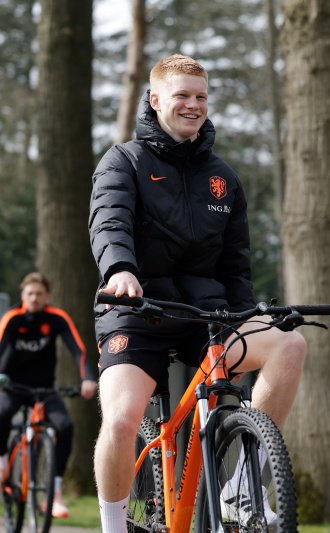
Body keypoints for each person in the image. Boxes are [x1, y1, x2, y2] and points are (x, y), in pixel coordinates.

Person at [88, 54, 306, 533]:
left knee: (289, 344)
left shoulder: (223, 177)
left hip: (207, 316)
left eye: (201, 96)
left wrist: (249, 314)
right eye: (182, 95)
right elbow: (109, 224)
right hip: (135, 310)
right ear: (156, 100)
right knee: (122, 421)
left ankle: (242, 489)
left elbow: (236, 263)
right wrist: (121, 271)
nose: (192, 105)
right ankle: (113, 524)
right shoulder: (123, 161)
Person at [0, 272, 98, 519]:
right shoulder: (12, 318)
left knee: (64, 426)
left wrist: (87, 378)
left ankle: (54, 494)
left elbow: (78, 350)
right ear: (23, 295)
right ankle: (2, 460)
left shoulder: (56, 318)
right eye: (30, 293)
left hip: (44, 389)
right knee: (1, 413)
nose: (34, 298)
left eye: (39, 294)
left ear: (47, 296)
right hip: (13, 386)